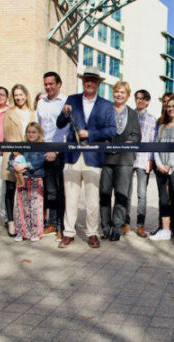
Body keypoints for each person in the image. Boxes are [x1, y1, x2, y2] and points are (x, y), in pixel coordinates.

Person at [57, 66, 116, 249]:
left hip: (93, 157)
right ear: (83, 81)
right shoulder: (71, 100)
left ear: (98, 83)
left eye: (93, 80)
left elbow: (111, 130)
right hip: (72, 156)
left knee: (92, 200)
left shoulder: (106, 105)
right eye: (86, 79)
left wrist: (89, 133)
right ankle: (68, 233)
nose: (89, 82)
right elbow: (60, 124)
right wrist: (65, 113)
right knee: (71, 198)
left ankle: (92, 233)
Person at [100, 81, 141, 242]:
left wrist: (125, 145)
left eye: (122, 92)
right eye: (116, 91)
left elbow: (137, 135)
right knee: (104, 194)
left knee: (121, 195)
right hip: (106, 159)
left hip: (125, 159)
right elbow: (99, 132)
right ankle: (105, 227)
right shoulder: (105, 111)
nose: (119, 94)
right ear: (113, 93)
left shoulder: (132, 114)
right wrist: (106, 144)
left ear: (127, 95)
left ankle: (117, 227)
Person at [150, 97, 174, 244]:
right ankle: (166, 231)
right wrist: (159, 164)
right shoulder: (161, 127)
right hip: (161, 169)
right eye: (168, 106)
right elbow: (156, 148)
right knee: (163, 200)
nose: (171, 109)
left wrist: (170, 165)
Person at [36, 72, 68, 241]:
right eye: (46, 84)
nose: (48, 87)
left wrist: (55, 151)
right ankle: (53, 223)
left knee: (61, 191)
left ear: (59, 84)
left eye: (51, 84)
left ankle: (62, 227)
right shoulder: (41, 103)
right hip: (44, 151)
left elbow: (66, 131)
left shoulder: (65, 102)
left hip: (60, 152)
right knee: (50, 191)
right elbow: (38, 127)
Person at [1, 84, 35, 237]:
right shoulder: (9, 113)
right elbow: (8, 134)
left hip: (28, 155)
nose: (18, 97)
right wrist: (16, 154)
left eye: (21, 94)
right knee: (9, 189)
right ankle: (11, 222)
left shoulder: (32, 113)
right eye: (16, 95)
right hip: (12, 155)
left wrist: (26, 156)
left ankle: (25, 221)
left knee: (26, 190)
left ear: (26, 95)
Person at [125, 89, 157, 237]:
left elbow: (152, 141)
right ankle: (125, 223)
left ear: (148, 101)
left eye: (143, 99)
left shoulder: (152, 119)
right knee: (126, 192)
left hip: (143, 159)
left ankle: (140, 225)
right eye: (138, 98)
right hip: (128, 157)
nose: (140, 101)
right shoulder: (129, 115)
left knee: (142, 194)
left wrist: (151, 160)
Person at [10, 123, 46, 241]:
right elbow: (11, 159)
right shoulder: (21, 145)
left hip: (36, 178)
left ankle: (35, 233)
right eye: (29, 132)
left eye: (34, 132)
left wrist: (26, 165)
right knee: (21, 206)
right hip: (22, 178)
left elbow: (41, 161)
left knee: (35, 207)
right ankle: (21, 232)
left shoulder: (42, 146)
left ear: (39, 133)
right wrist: (15, 165)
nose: (31, 134)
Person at [150, 92, 174, 236]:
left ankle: (172, 227)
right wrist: (157, 163)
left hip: (173, 165)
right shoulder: (159, 121)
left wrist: (170, 164)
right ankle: (162, 226)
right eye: (164, 102)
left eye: (169, 102)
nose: (166, 104)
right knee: (163, 197)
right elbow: (155, 143)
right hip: (159, 165)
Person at [0, 86, 9, 226]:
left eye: (1, 94)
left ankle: (5, 217)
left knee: (3, 189)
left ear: (6, 97)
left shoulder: (10, 112)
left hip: (5, 154)